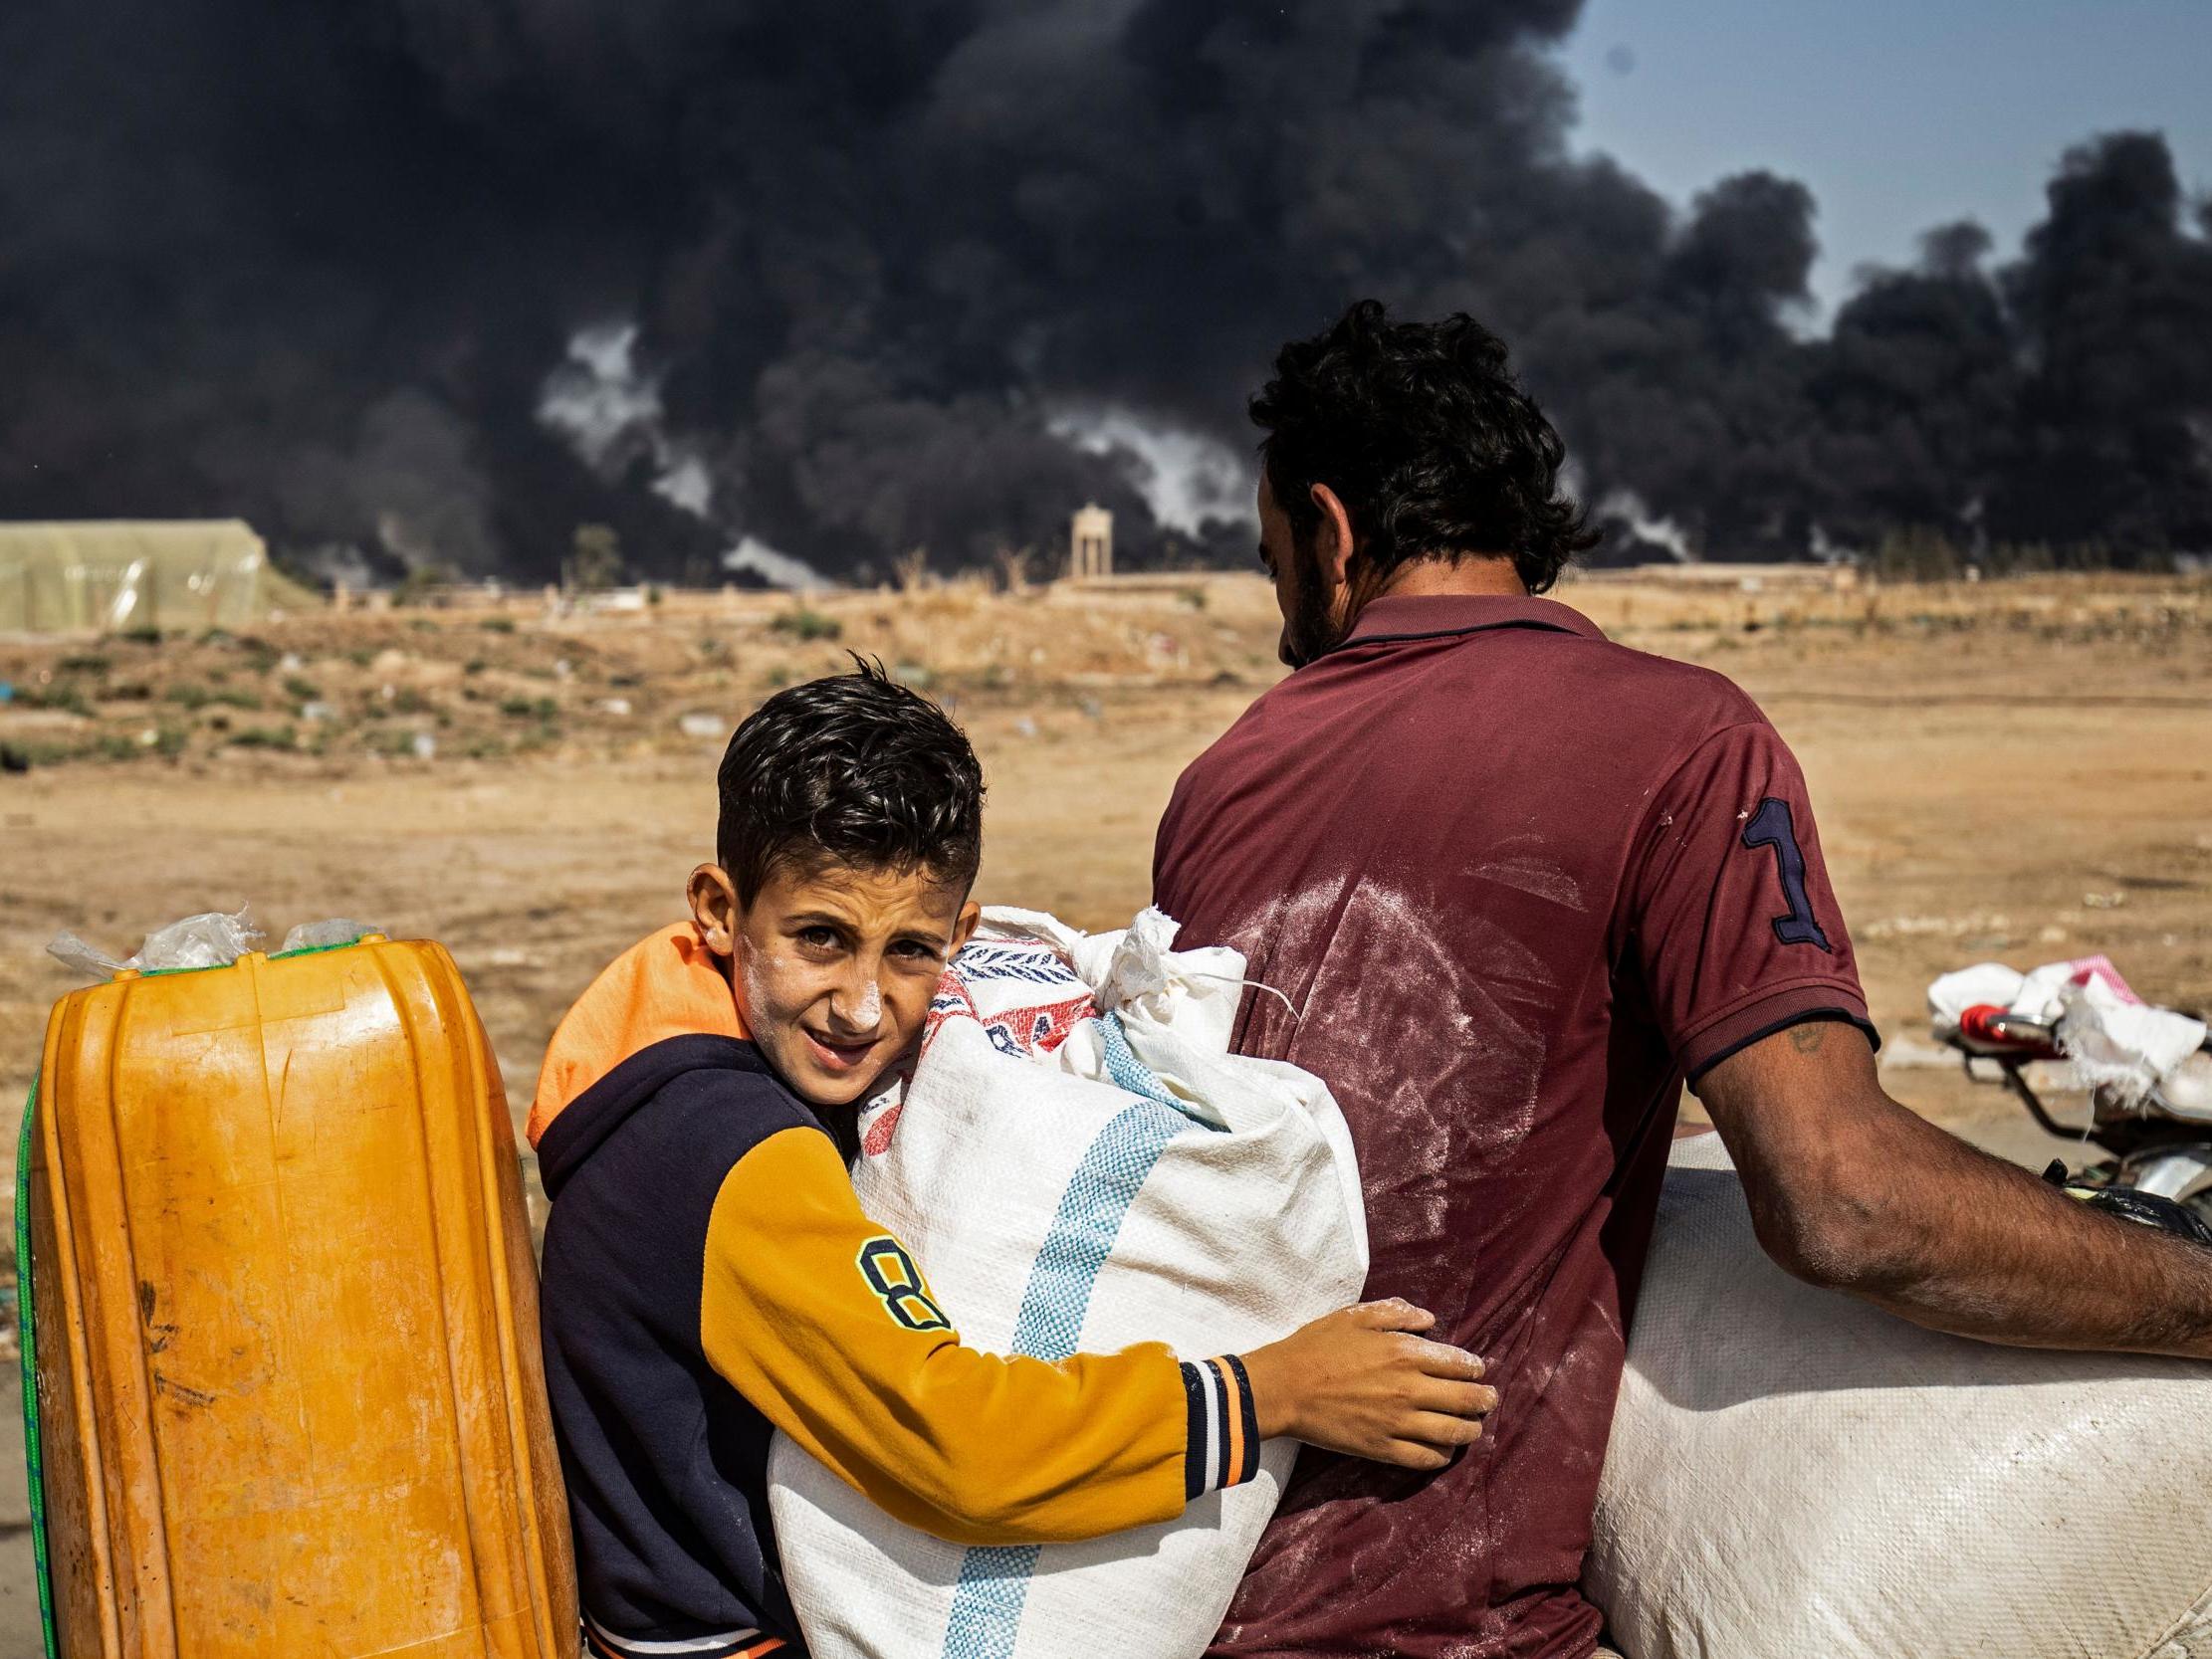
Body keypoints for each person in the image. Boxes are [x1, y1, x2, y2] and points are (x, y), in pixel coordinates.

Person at [1150, 300, 2212, 1659]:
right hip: (1434, 1629)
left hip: (1165, 1594)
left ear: (1330, 531)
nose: (1284, 603)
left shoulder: (1220, 777)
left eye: (1270, 562)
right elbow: (1842, 1202)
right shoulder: (1679, 733)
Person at [529, 661, 1497, 1659]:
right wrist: (1271, 1392)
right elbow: (958, 1442)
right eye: (820, 938)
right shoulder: (729, 1153)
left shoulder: (669, 1057)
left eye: (909, 950)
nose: (862, 1004)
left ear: (963, 932)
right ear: (721, 910)